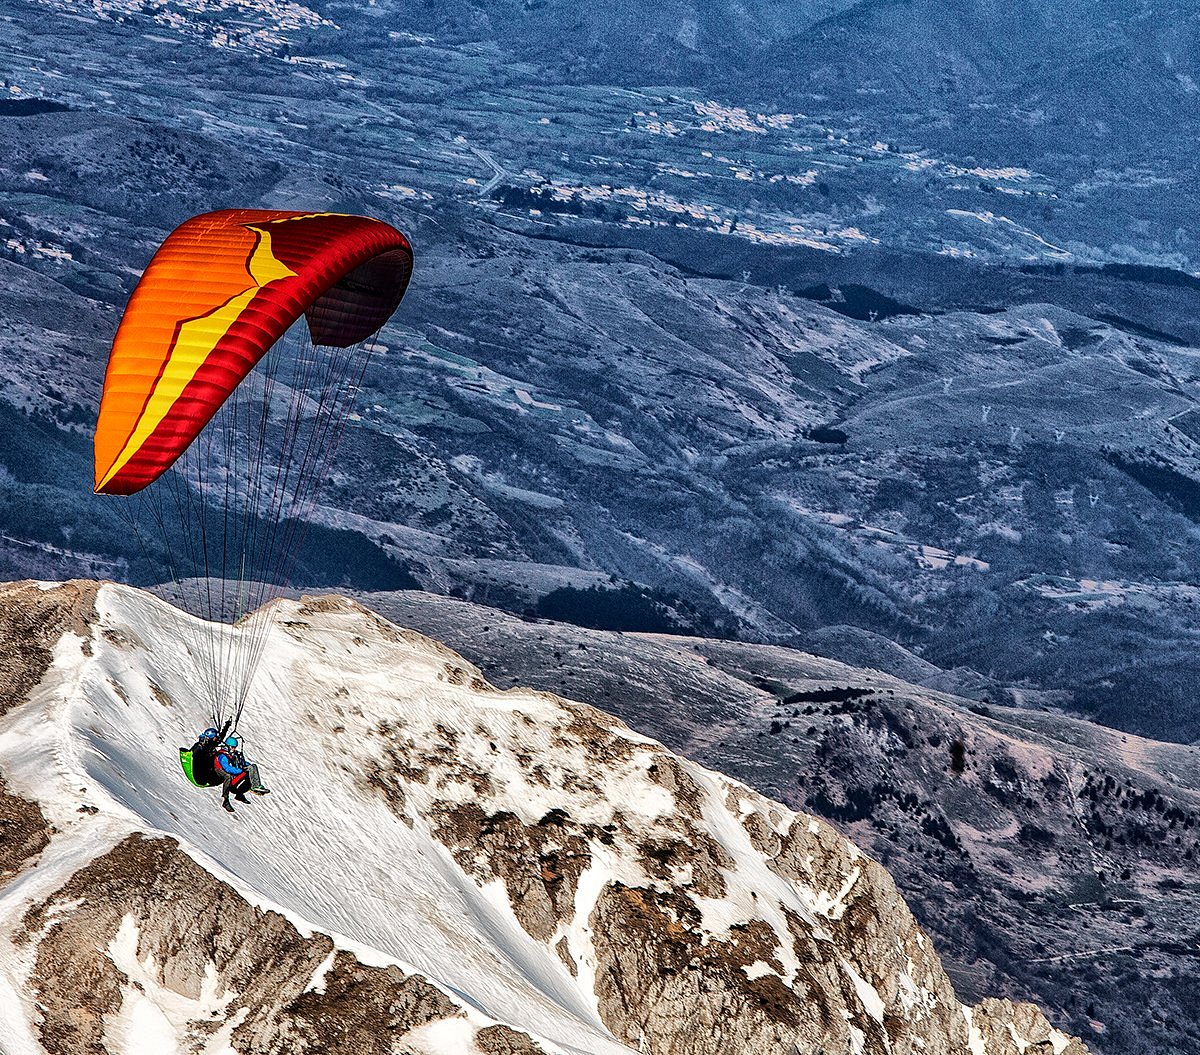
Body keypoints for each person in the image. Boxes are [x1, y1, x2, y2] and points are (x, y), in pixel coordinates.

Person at [214, 734, 270, 813]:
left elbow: (242, 762)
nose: (234, 749)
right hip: (231, 781)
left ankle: (244, 792)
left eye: (234, 747)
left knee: (252, 767)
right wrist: (240, 770)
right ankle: (254, 786)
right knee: (248, 771)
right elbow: (227, 768)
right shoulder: (222, 756)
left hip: (235, 777)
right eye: (232, 747)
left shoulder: (233, 754)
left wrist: (248, 766)